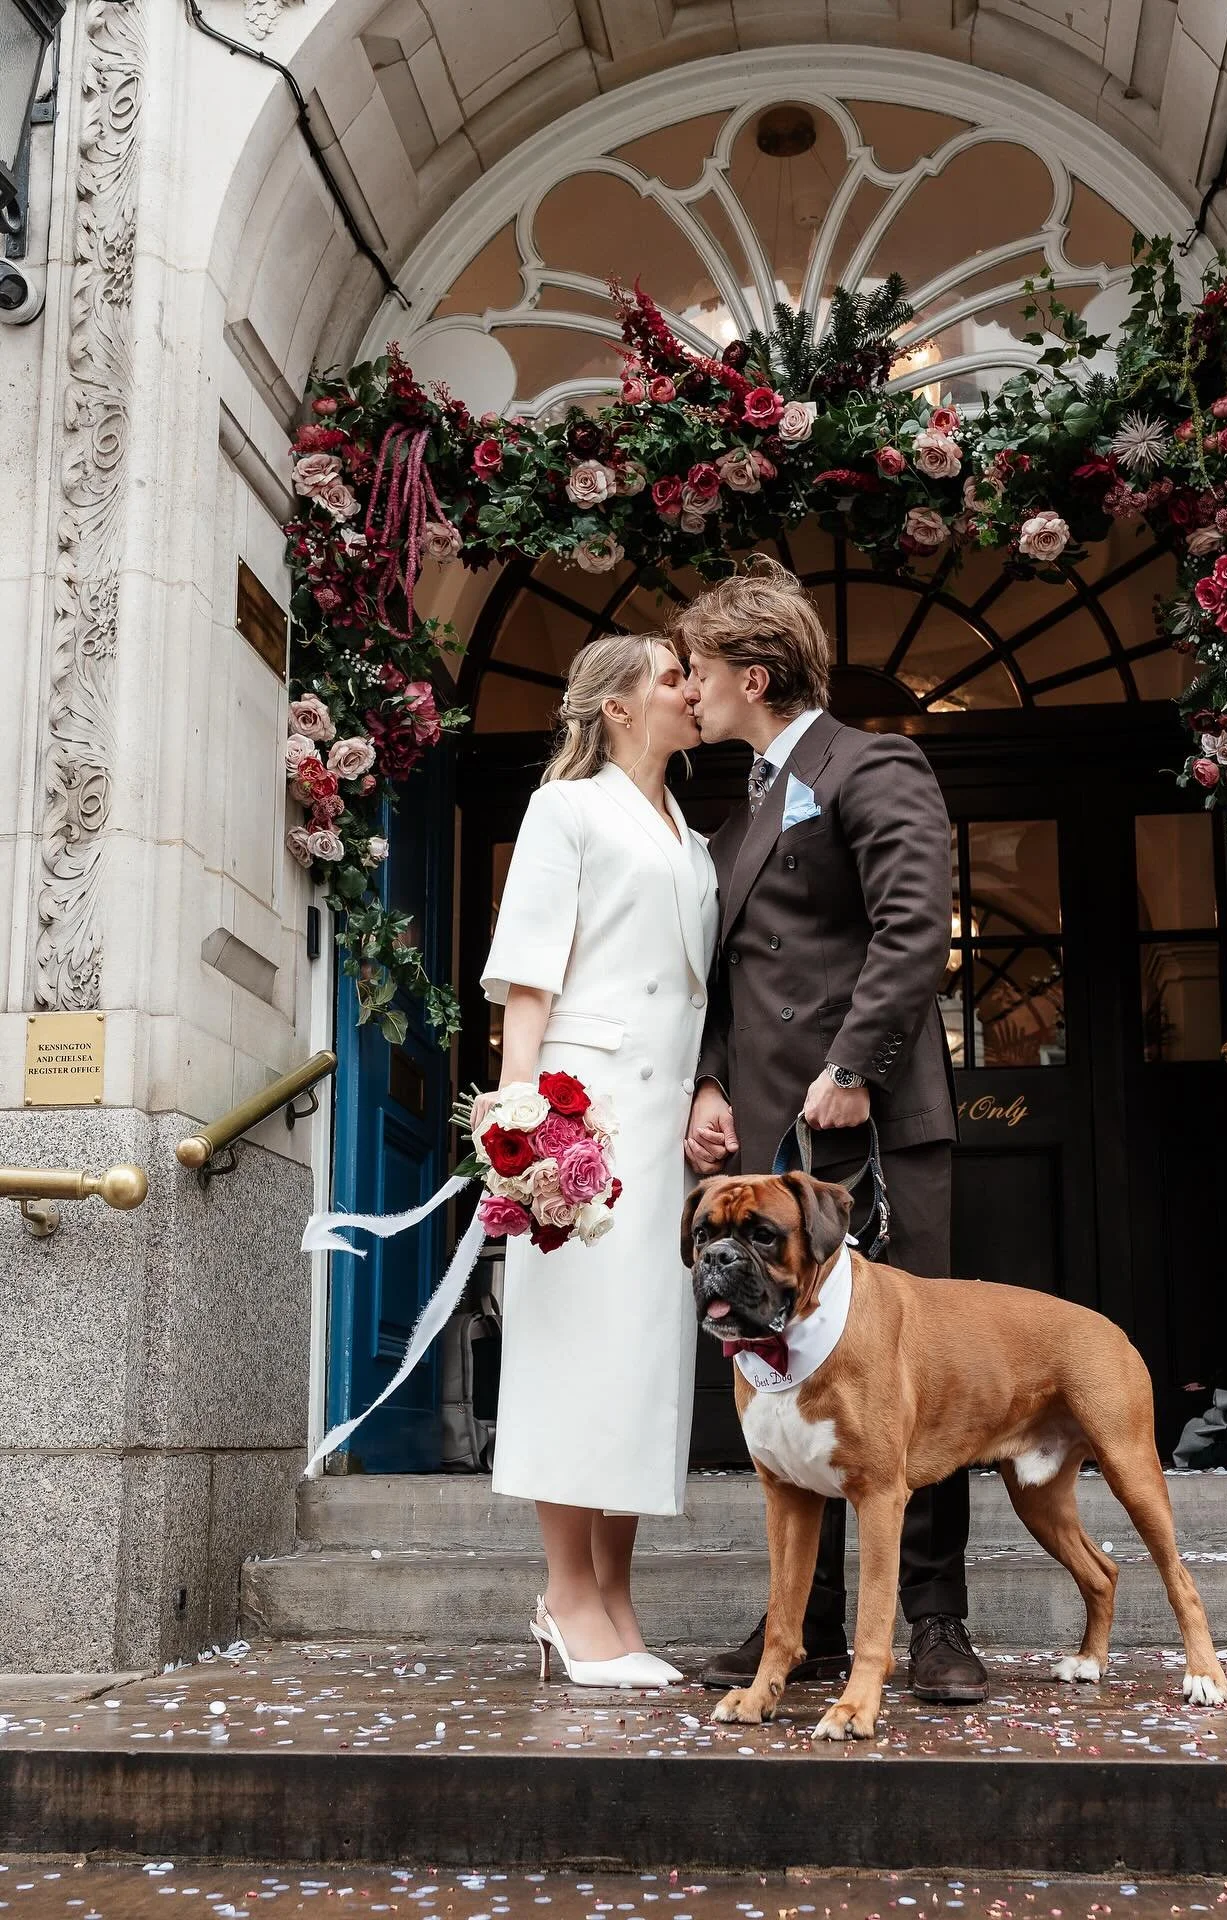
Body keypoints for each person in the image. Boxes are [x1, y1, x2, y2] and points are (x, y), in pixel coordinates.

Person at [678, 558, 987, 1706]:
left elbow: (915, 927)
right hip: (768, 1140)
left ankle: (940, 1621)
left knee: (914, 1378)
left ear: (754, 675)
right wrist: (708, 1086)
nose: (688, 689)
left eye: (700, 671)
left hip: (871, 1125)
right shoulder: (750, 797)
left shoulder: (871, 761)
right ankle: (794, 1629)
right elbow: (719, 975)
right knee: (777, 1370)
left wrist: (855, 1063)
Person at [478, 633, 718, 1689]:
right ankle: (565, 1597)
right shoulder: (565, 810)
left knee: (641, 1362)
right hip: (582, 1116)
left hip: (661, 1129)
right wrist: (523, 1123)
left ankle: (617, 1597)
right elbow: (530, 975)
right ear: (619, 706)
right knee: (573, 1353)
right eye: (672, 677)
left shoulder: (694, 835)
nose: (690, 690)